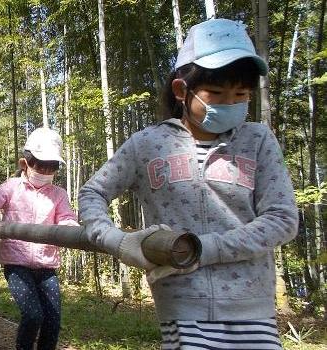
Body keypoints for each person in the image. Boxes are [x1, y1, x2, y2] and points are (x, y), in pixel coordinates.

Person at [78, 18, 298, 350]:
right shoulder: (147, 145)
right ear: (182, 90)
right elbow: (93, 191)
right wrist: (115, 240)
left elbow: (282, 219)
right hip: (183, 305)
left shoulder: (258, 140)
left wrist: (205, 249)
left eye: (241, 94)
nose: (231, 103)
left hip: (252, 304)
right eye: (218, 93)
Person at [0, 128, 78, 350]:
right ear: (24, 163)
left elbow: (67, 218)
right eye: (40, 165)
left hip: (46, 265)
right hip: (16, 264)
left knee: (53, 320)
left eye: (52, 167)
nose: (46, 171)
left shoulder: (59, 194)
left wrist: (71, 231)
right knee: (33, 315)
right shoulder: (11, 187)